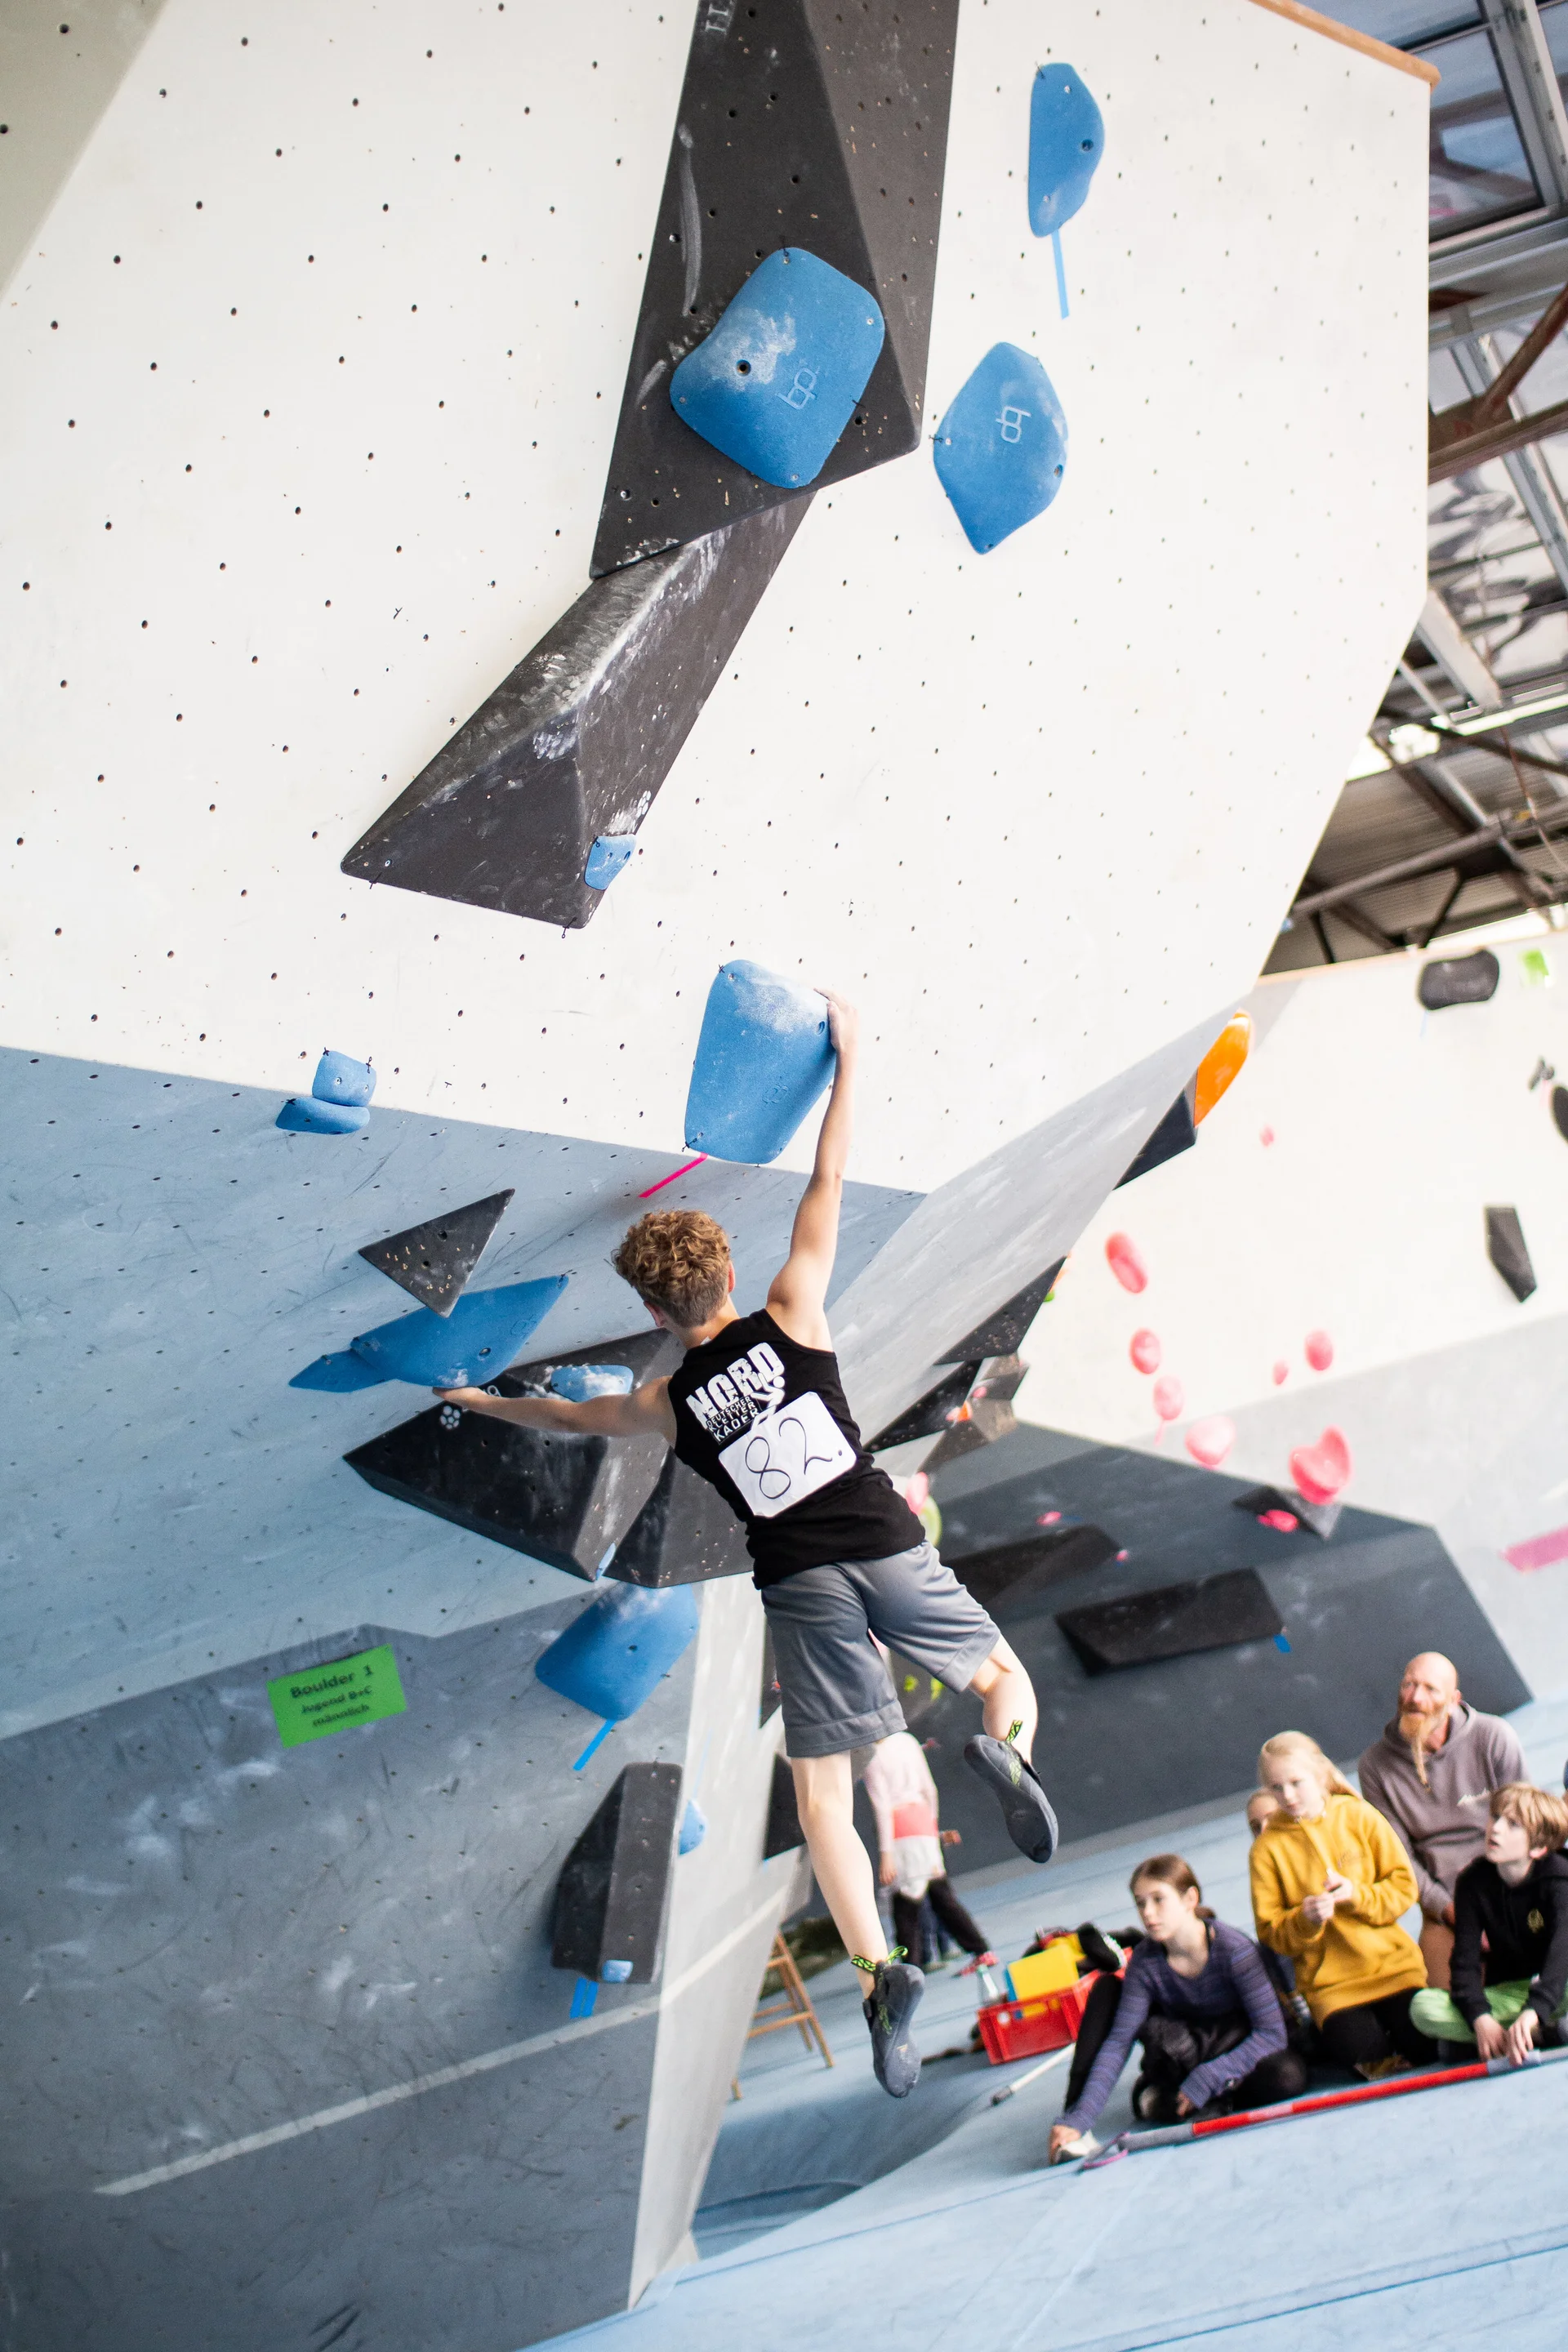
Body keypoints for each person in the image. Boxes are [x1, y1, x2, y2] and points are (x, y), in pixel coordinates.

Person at [434, 994, 1057, 2100]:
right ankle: (1007, 1748)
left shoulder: (668, 1405)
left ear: (652, 1307)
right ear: (728, 1278)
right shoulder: (793, 1309)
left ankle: (879, 1975)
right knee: (1003, 1674)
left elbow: (574, 1422)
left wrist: (481, 1401)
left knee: (827, 1800)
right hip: (882, 1534)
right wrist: (851, 1055)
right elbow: (828, 1180)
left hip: (800, 1582)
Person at [1048, 1854, 1303, 2163]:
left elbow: (1271, 2034)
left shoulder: (1234, 1950)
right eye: (1141, 1903)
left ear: (1189, 1899)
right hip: (1185, 2051)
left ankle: (1179, 2099)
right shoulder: (1144, 1963)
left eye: (1159, 1900)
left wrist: (1209, 2078)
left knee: (1287, 2076)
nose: (1148, 1914)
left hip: (1232, 2045)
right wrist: (1081, 2118)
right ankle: (1169, 2098)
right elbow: (1118, 2043)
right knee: (1107, 1989)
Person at [1251, 1731, 1436, 2079]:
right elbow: (1271, 1932)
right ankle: (1331, 2038)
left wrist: (1357, 1896)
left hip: (1394, 1968)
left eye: (1296, 1783)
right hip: (1332, 1988)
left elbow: (1403, 1889)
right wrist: (1305, 1919)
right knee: (1359, 2050)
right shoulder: (1265, 1849)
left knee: (1425, 2043)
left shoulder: (1359, 1816)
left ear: (1320, 1776)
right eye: (1276, 1788)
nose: (1287, 1796)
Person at [1358, 1652, 1524, 1990]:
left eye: (1430, 1689)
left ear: (1453, 1701)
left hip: (1512, 1885)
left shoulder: (1492, 1736)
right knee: (1450, 2007)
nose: (1415, 1698)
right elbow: (1401, 1860)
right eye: (1409, 1684)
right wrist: (1455, 1913)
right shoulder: (1375, 1766)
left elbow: (1528, 1824)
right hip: (1446, 1905)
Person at [1410, 1782, 1568, 2062]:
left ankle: (1524, 2033)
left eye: (1513, 1825)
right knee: (1422, 2008)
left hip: (1560, 1985)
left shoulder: (1560, 1879)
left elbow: (1560, 1957)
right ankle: (1531, 2034)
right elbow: (1464, 1963)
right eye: (1495, 1817)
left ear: (1539, 1847)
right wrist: (1480, 2017)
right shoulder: (1473, 1882)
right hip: (1510, 1993)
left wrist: (1535, 2011)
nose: (1495, 1829)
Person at [862, 1730, 994, 1969]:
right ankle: (980, 1950)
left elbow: (882, 1807)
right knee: (941, 1895)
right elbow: (930, 1790)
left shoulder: (871, 1755)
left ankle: (911, 1968)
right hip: (923, 1821)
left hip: (901, 1831)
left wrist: (886, 1854)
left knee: (906, 1903)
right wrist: (931, 1828)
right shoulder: (908, 1741)